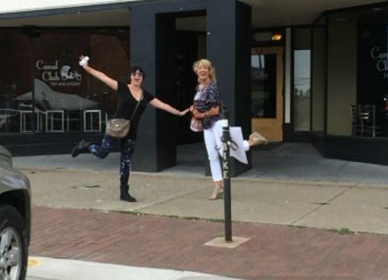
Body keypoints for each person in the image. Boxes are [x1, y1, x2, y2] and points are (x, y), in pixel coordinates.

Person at [71, 56, 189, 202]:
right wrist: (87, 68)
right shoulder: (122, 88)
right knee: (102, 153)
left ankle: (124, 192)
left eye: (140, 74)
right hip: (116, 128)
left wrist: (179, 113)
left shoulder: (146, 96)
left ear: (143, 78)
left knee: (125, 162)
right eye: (134, 74)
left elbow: (162, 105)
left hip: (131, 133)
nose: (137, 76)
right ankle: (85, 146)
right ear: (131, 76)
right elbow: (103, 77)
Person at [190, 58, 267, 200]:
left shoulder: (212, 87)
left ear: (209, 71)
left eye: (205, 68)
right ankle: (218, 186)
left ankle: (251, 142)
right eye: (200, 68)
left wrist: (201, 114)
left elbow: (215, 110)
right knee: (212, 155)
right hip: (207, 125)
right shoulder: (198, 88)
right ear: (196, 71)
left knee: (224, 151)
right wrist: (194, 109)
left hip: (217, 122)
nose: (202, 70)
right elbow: (200, 104)